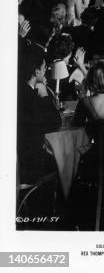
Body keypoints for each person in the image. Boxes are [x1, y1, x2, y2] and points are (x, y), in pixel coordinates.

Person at [17, 46, 62, 184]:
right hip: (32, 165)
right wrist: (45, 95)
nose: (45, 71)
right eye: (43, 69)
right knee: (64, 160)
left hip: (22, 158)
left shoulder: (21, 90)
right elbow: (56, 123)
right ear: (36, 72)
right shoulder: (33, 99)